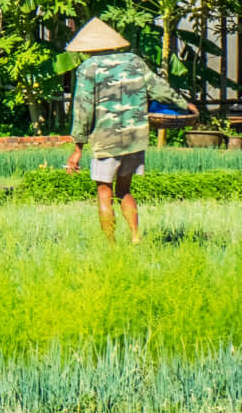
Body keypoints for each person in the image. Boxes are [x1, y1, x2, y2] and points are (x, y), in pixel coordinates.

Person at [62, 19, 189, 244]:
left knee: (104, 193)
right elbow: (159, 89)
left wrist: (77, 148)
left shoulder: (89, 68)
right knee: (125, 190)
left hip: (106, 139)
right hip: (134, 138)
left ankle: (111, 245)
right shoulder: (134, 61)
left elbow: (83, 108)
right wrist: (183, 105)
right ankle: (135, 236)